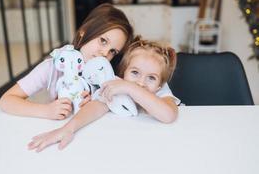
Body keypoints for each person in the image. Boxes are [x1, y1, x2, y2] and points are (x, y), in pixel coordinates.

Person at [28, 37, 180, 152]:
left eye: (151, 78)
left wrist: (131, 88)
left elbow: (169, 116)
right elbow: (97, 105)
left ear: (160, 84)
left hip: (161, 145)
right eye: (135, 72)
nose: (141, 83)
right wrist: (68, 128)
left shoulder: (160, 91)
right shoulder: (117, 84)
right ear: (124, 72)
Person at [0, 3, 134, 120]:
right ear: (84, 31)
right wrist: (46, 111)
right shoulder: (53, 67)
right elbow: (6, 100)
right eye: (103, 41)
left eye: (113, 51)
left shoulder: (106, 75)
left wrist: (97, 102)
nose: (105, 53)